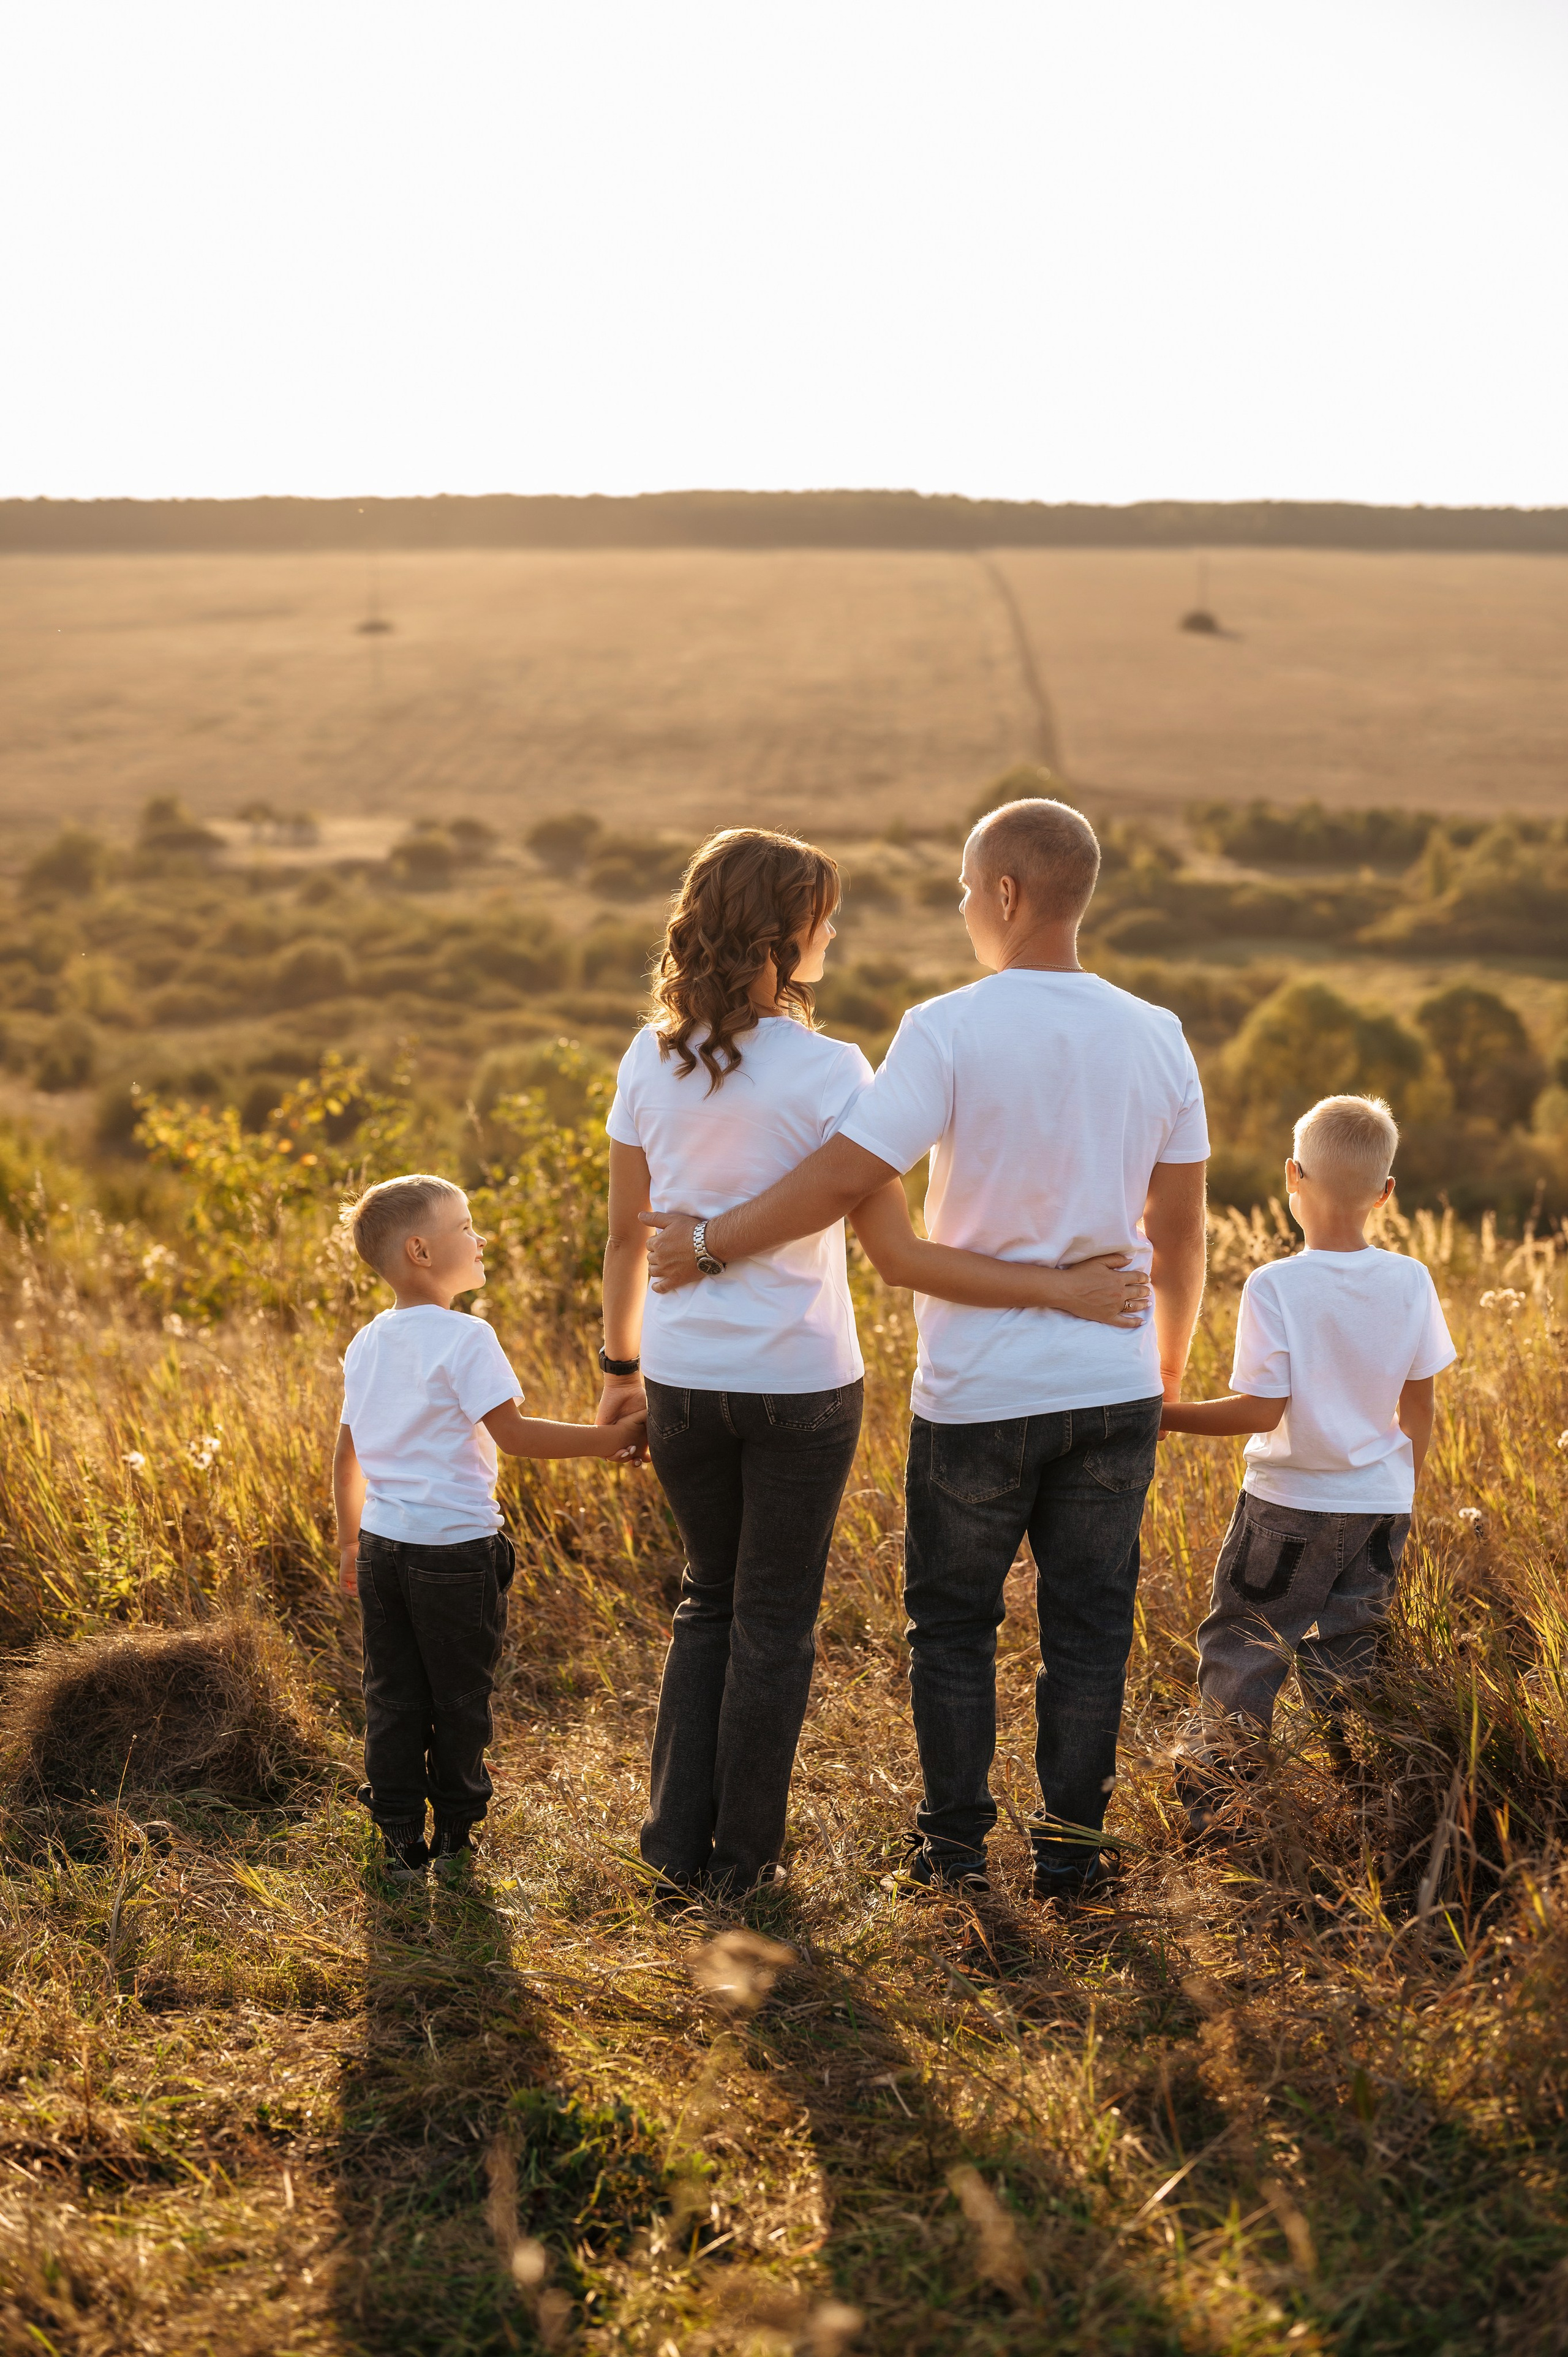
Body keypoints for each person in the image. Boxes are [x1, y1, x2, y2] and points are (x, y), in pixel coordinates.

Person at [643, 797, 1209, 1902]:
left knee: (953, 1627)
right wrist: (1167, 1368)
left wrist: (709, 1243)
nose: (960, 909)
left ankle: (953, 1856)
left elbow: (844, 1178)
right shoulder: (1160, 1032)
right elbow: (1181, 1229)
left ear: (1006, 893)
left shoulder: (946, 1028)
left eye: (963, 890)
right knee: (1090, 1627)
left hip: (980, 1391)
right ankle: (1071, 1857)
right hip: (1115, 1379)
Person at [334, 1173, 644, 1883]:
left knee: (392, 1694)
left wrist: (350, 1540)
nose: (482, 1238)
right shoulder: (467, 1336)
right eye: (466, 1226)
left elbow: (347, 1454)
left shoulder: (367, 1340)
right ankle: (454, 1836)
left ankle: (398, 1836)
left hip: (382, 1549)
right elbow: (516, 1434)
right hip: (454, 1552)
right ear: (420, 1250)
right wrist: (613, 1439)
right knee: (458, 1698)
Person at [1159, 1095, 1455, 1822]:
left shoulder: (1275, 1284)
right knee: (1352, 1657)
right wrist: (1396, 1488)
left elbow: (1260, 1411)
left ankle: (1217, 1814)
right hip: (1380, 1507)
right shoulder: (1412, 1279)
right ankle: (1372, 1804)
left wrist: (1160, 1415)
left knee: (1244, 1648)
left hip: (1286, 1507)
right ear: (1385, 1191)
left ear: (1291, 1175)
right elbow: (1418, 1405)